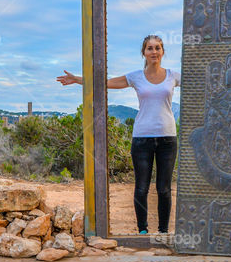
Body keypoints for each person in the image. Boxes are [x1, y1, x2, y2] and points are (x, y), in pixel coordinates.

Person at [56, 34, 179, 235]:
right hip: (141, 138)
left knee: (164, 188)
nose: (154, 51)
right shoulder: (135, 77)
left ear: (163, 52)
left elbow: (198, 80)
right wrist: (78, 79)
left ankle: (164, 232)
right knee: (141, 187)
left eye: (157, 48)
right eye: (150, 48)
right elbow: (104, 83)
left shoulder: (173, 75)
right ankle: (143, 231)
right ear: (144, 53)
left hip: (168, 138)